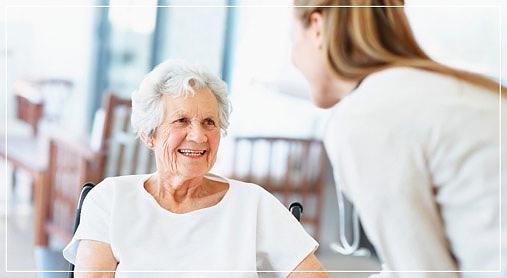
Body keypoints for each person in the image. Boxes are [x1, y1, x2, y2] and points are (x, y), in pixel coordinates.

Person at [291, 0, 505, 277]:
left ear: (317, 28)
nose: (293, 58)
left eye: (292, 39)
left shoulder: (365, 114)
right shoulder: (450, 90)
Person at [62, 60, 326, 277]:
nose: (199, 136)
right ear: (149, 134)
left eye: (209, 122)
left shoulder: (252, 203)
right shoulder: (111, 199)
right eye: (181, 121)